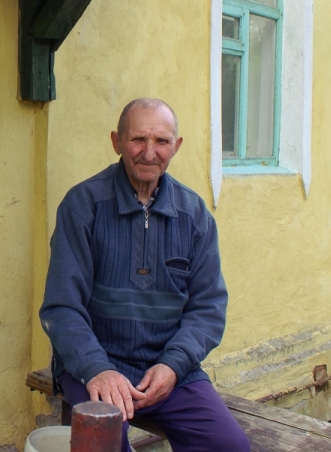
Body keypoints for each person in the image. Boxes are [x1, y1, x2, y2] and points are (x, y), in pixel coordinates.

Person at [40, 98, 250, 452]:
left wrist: (173, 365)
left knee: (229, 446)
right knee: (103, 441)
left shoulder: (195, 215)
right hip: (96, 363)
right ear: (116, 141)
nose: (149, 153)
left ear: (176, 146)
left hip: (168, 370)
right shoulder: (83, 206)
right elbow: (62, 308)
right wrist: (97, 369)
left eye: (162, 141)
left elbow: (208, 309)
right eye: (138, 139)